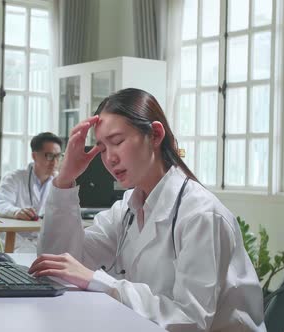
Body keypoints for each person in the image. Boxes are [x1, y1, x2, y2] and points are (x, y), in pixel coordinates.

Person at [29, 88, 266, 331]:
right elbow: (57, 264)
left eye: (118, 142)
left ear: (154, 135)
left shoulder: (201, 215)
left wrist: (101, 282)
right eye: (102, 148)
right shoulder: (128, 208)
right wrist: (65, 178)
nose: (109, 158)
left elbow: (190, 321)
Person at [0, 132, 62, 250]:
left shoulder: (60, 182)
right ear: (34, 156)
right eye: (49, 156)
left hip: (44, 243)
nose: (54, 162)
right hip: (14, 242)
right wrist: (16, 212)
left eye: (58, 156)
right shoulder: (14, 178)